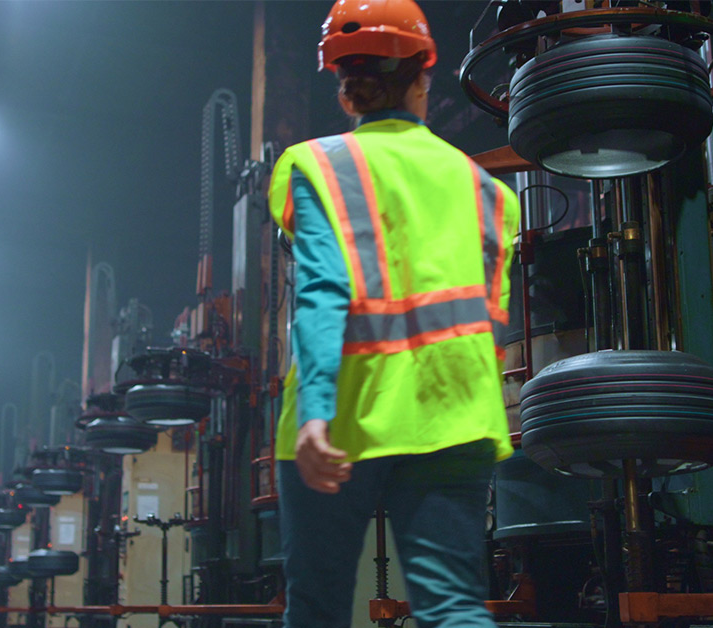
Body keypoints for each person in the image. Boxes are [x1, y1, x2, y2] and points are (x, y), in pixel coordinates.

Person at [266, 1, 521, 626]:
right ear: (424, 73)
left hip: (343, 417)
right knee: (454, 605)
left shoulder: (318, 166)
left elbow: (323, 289)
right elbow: (491, 315)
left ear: (344, 85)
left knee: (319, 606)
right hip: (456, 419)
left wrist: (317, 412)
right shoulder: (487, 192)